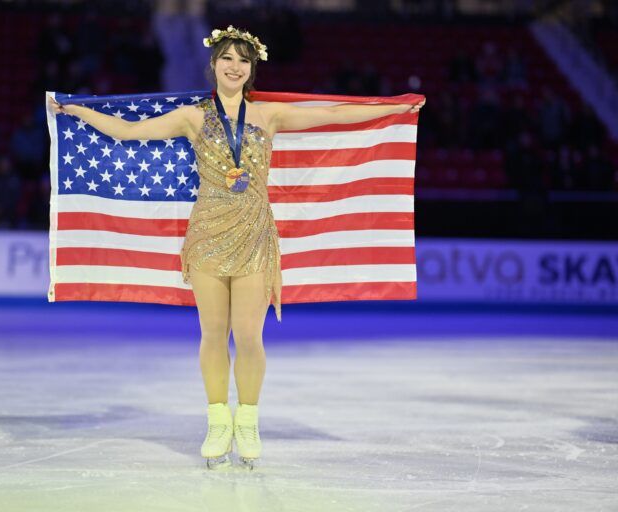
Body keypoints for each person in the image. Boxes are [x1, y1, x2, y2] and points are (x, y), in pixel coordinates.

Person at [49, 25, 425, 470]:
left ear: (252, 69)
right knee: (213, 333)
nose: (234, 66)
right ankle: (216, 421)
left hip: (254, 235)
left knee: (248, 336)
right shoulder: (192, 116)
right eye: (227, 58)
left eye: (242, 60)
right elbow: (131, 133)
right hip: (208, 232)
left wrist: (395, 108)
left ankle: (246, 418)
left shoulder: (268, 116)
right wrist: (77, 110)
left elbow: (334, 115)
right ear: (214, 64)